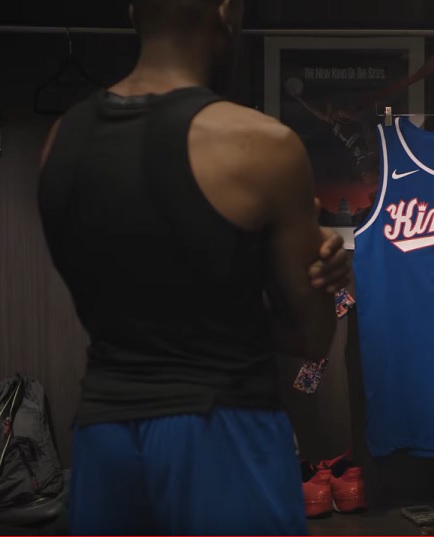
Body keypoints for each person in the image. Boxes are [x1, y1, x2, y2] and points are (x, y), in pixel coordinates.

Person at [37, 0, 350, 534]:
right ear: (226, 10)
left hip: (103, 434)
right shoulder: (263, 145)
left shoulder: (61, 139)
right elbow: (309, 339)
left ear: (133, 11)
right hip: (223, 428)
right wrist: (329, 276)